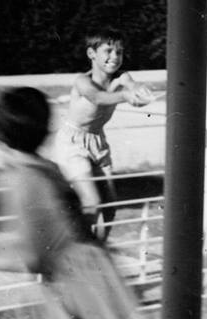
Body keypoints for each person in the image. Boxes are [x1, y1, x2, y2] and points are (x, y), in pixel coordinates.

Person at [0, 87, 155, 319]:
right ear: (45, 131)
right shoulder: (48, 169)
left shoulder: (18, 179)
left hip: (71, 284)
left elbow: (30, 255)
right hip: (93, 276)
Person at [56, 29, 152, 239]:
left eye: (119, 52)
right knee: (91, 202)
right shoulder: (82, 80)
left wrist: (139, 90)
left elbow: (131, 84)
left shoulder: (121, 78)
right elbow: (98, 97)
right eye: (108, 51)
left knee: (109, 206)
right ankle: (81, 253)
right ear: (91, 54)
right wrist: (126, 96)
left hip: (97, 141)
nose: (115, 57)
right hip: (71, 142)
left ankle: (98, 251)